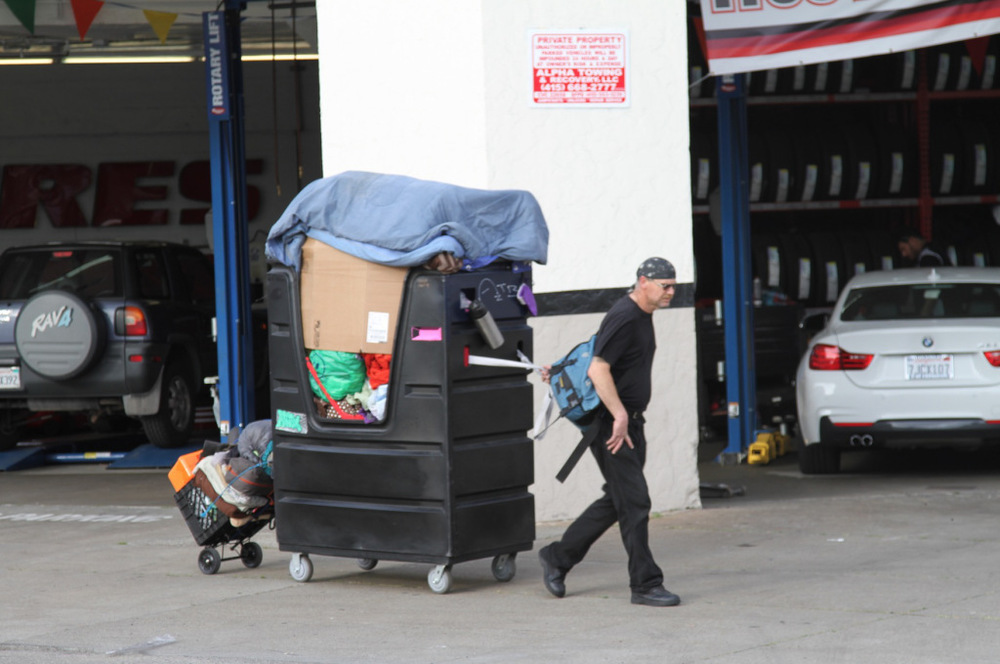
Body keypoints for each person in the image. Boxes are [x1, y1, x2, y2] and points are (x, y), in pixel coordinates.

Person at [538, 256, 680, 607]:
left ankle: (557, 557)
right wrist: (618, 415)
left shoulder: (640, 315)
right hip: (612, 425)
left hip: (630, 421)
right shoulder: (625, 315)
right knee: (634, 502)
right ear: (643, 281)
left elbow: (599, 354)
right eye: (666, 286)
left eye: (674, 286)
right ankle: (645, 584)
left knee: (618, 500)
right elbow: (599, 369)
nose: (672, 292)